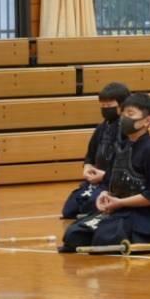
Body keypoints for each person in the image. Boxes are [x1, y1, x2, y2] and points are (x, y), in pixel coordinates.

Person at [60, 93, 150, 253]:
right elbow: (113, 180)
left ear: (147, 121)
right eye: (123, 113)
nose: (124, 118)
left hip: (146, 216)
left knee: (105, 238)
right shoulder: (123, 147)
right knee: (73, 235)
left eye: (130, 114)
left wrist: (120, 203)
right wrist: (105, 195)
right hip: (120, 210)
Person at [60, 81, 131, 219]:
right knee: (69, 210)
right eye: (103, 106)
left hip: (114, 182)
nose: (105, 109)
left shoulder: (127, 130)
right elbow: (90, 157)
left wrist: (104, 175)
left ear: (122, 106)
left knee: (92, 204)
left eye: (109, 106)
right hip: (97, 181)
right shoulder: (101, 128)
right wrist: (87, 169)